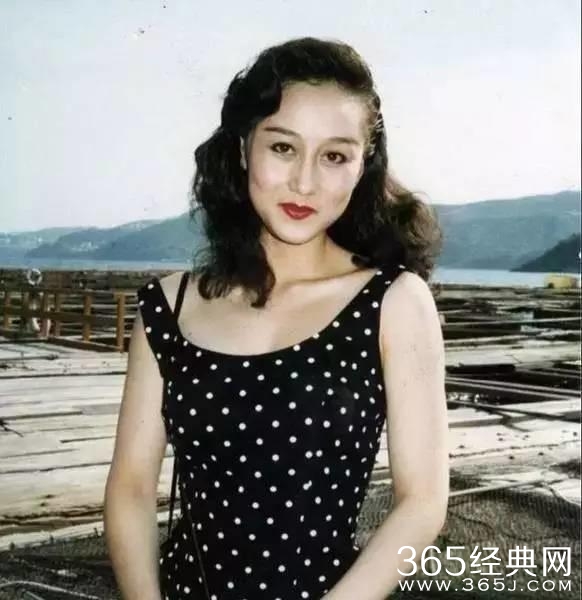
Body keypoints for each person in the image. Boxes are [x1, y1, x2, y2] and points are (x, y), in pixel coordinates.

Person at [104, 36, 449, 600]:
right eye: (283, 147)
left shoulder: (394, 302)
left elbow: (422, 503)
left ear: (362, 167)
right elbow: (132, 489)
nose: (304, 183)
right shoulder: (168, 307)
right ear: (243, 148)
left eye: (334, 156)